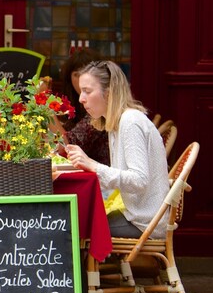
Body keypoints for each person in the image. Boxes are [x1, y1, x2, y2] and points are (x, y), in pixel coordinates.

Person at [66, 60, 168, 239]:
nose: (81, 98)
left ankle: (87, 268)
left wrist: (93, 165)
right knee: (74, 218)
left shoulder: (130, 122)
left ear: (109, 93)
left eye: (88, 91)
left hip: (142, 221)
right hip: (135, 213)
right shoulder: (117, 123)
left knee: (70, 225)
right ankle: (89, 268)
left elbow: (139, 180)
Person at [59, 48, 110, 166]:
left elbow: (66, 145)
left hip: (103, 178)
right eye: (76, 75)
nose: (81, 81)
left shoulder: (100, 107)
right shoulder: (76, 104)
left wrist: (46, 107)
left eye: (85, 75)